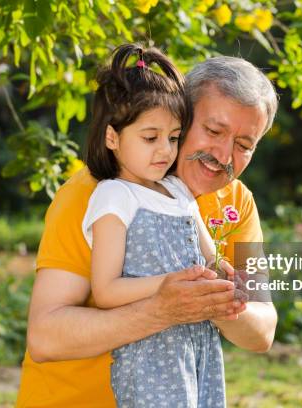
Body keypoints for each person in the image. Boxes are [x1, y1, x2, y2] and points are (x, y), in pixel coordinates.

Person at [17, 48, 279, 408]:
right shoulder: (97, 192)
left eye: (243, 145)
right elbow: (46, 337)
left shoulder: (236, 202)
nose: (222, 154)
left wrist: (213, 300)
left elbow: (263, 329)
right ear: (180, 116)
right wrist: (163, 309)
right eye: (213, 130)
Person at [82, 43, 227, 407]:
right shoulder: (114, 196)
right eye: (150, 138)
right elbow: (106, 290)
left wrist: (226, 276)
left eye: (174, 137)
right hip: (151, 355)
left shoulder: (178, 191)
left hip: (199, 347)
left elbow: (212, 259)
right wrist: (169, 285)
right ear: (113, 137)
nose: (165, 150)